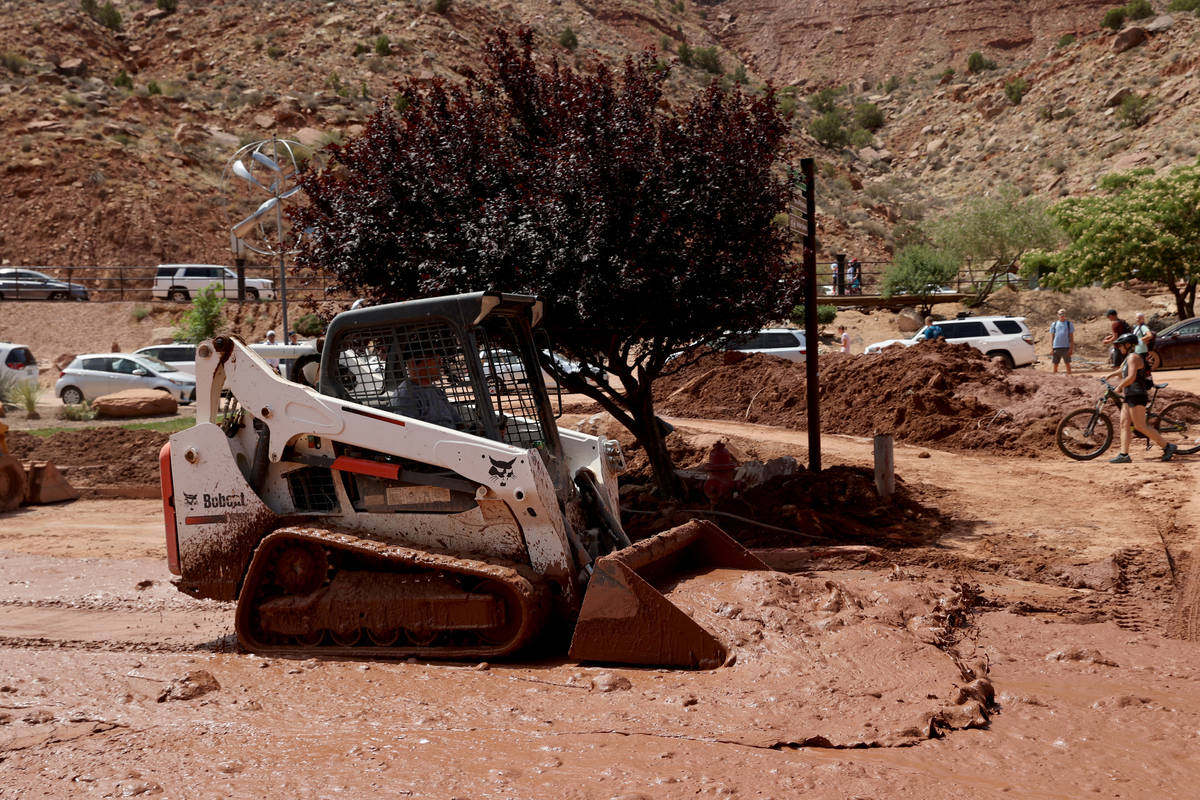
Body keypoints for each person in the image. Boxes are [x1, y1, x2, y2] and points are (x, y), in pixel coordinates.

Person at [1105, 332, 1176, 463]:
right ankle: (1124, 455)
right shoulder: (1129, 358)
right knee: (1124, 424)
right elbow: (1123, 371)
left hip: (1137, 394)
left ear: (1127, 345)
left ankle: (1168, 446)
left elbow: (1131, 377)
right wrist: (1109, 375)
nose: (1119, 348)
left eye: (1120, 345)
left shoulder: (1133, 357)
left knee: (1140, 425)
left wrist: (1119, 386)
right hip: (1130, 395)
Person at [393, 356, 458, 429]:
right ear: (415, 364)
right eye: (435, 359)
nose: (440, 363)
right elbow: (407, 433)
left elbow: (458, 422)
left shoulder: (436, 391)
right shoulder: (406, 396)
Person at [1048, 308, 1075, 374]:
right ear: (1057, 315)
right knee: (1055, 365)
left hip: (1066, 347)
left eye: (1063, 314)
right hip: (1056, 347)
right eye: (1060, 314)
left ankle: (1070, 379)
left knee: (1067, 364)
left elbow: (1071, 338)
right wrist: (1051, 348)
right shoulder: (1054, 324)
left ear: (1065, 315)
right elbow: (1052, 337)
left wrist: (1071, 348)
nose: (1062, 315)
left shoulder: (1069, 324)